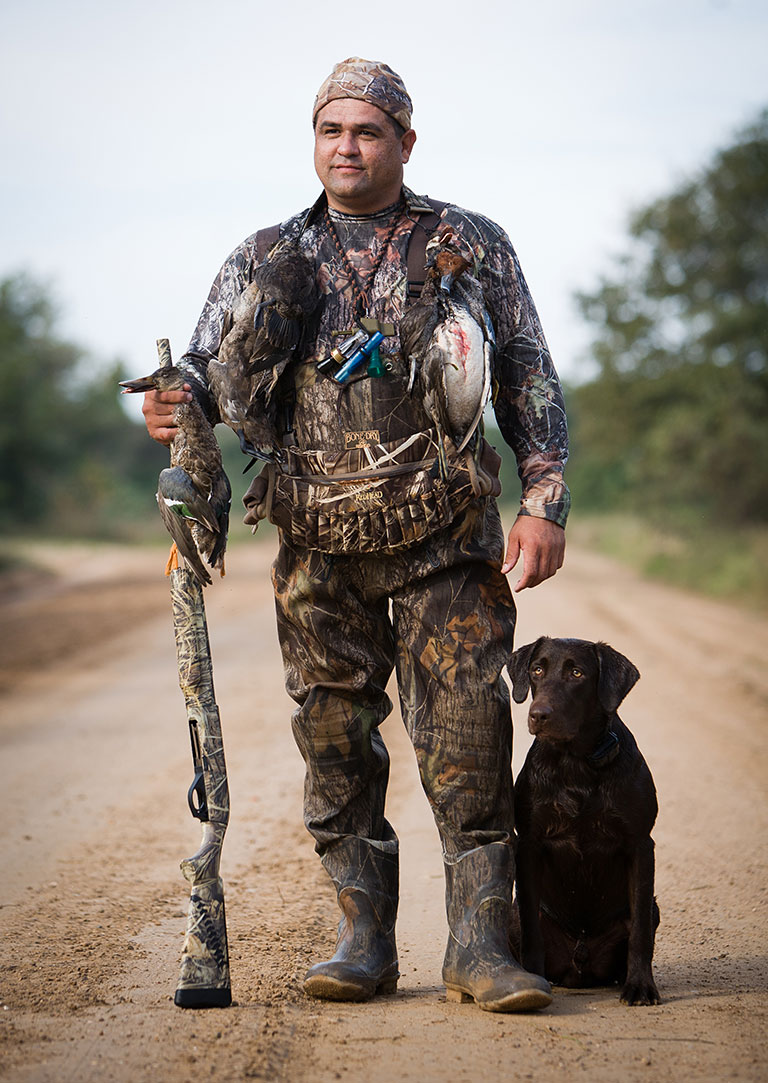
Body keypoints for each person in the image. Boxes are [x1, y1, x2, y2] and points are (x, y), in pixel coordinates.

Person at [141, 57, 569, 1013]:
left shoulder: (470, 242)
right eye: (332, 130)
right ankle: (363, 939)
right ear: (315, 140)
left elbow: (527, 369)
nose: (348, 147)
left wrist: (545, 495)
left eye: (368, 131)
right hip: (316, 551)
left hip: (446, 544)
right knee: (334, 744)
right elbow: (205, 371)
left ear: (404, 142)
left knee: (468, 739)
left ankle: (480, 947)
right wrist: (173, 404)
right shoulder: (265, 254)